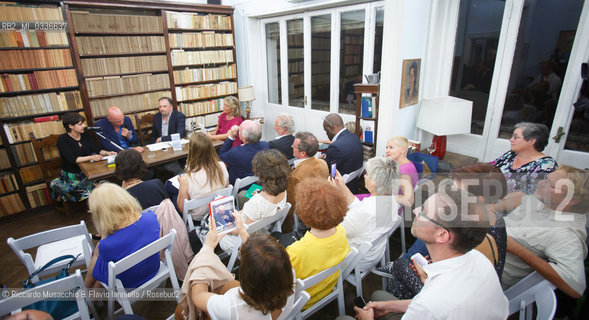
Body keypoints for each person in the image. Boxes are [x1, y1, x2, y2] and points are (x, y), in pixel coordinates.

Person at [345, 188, 508, 320]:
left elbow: (429, 306)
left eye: (423, 210)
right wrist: (390, 306)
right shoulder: (479, 259)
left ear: (443, 235)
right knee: (379, 296)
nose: (415, 210)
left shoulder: (431, 303)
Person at [378, 163, 509, 300]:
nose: (449, 192)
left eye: (457, 191)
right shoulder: (495, 219)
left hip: (437, 301)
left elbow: (448, 296)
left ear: (478, 199)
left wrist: (405, 267)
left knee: (401, 265)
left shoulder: (469, 238)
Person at [491, 166, 589, 299]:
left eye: (550, 185)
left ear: (571, 199)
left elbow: (575, 287)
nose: (541, 183)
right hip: (474, 250)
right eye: (546, 179)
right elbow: (522, 197)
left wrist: (516, 249)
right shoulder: (545, 201)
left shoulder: (565, 233)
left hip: (486, 276)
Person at [189, 213, 295, 319]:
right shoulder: (287, 275)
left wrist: (207, 247)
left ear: (246, 279)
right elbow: (262, 256)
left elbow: (198, 296)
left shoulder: (231, 307)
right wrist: (242, 230)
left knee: (182, 310)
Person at [286, 178, 350, 310]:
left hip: (300, 303)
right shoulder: (341, 232)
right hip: (328, 289)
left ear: (304, 213)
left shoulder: (296, 251)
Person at [84, 182, 160, 289]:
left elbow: (102, 259)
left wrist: (104, 235)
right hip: (153, 268)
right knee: (102, 264)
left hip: (127, 283)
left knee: (98, 258)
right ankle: (91, 294)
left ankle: (85, 289)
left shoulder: (107, 245)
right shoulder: (151, 218)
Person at [331, 157, 401, 269]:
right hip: (373, 254)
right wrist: (342, 186)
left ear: (376, 182)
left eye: (367, 174)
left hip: (356, 261)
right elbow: (358, 206)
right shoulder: (390, 200)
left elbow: (333, 231)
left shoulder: (365, 212)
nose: (364, 176)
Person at [218, 149, 290, 253]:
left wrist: (225, 226)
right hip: (265, 230)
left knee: (214, 228)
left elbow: (243, 233)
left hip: (247, 242)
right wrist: (261, 194)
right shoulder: (283, 190)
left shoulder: (257, 202)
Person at [51, 112, 116, 202]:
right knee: (95, 188)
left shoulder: (85, 134)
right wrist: (91, 157)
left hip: (89, 170)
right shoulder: (63, 140)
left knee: (107, 184)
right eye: (80, 124)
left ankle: (99, 201)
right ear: (70, 126)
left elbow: (97, 149)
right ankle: (95, 201)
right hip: (72, 173)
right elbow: (72, 159)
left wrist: (107, 153)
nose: (84, 126)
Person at [491, 122, 557, 194]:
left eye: (516, 137)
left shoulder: (546, 165)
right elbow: (489, 167)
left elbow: (531, 194)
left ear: (531, 141)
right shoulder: (511, 154)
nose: (511, 139)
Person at [176, 132, 229, 220]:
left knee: (173, 195)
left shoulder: (186, 179)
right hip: (218, 212)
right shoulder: (222, 166)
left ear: (191, 151)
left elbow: (182, 209)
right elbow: (226, 188)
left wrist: (182, 183)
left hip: (198, 219)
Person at [284, 131, 329, 233]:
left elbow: (290, 206)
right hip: (323, 210)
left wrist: (284, 230)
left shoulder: (295, 175)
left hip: (304, 220)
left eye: (294, 146)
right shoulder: (323, 163)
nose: (292, 147)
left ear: (303, 153)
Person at [218, 120, 269, 185]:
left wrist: (231, 136)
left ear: (244, 138)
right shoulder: (266, 145)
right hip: (260, 184)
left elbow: (221, 156)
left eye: (239, 131)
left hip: (242, 189)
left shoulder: (236, 152)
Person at [322, 113, 363, 192]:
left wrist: (321, 161)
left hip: (339, 190)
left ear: (331, 127)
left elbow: (331, 172)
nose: (326, 134)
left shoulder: (335, 147)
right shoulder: (354, 138)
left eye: (326, 130)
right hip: (353, 185)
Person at [384, 136, 418, 207]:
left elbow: (409, 201)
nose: (387, 151)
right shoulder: (407, 163)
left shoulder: (403, 171)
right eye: (386, 147)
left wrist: (386, 198)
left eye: (391, 147)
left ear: (403, 150)